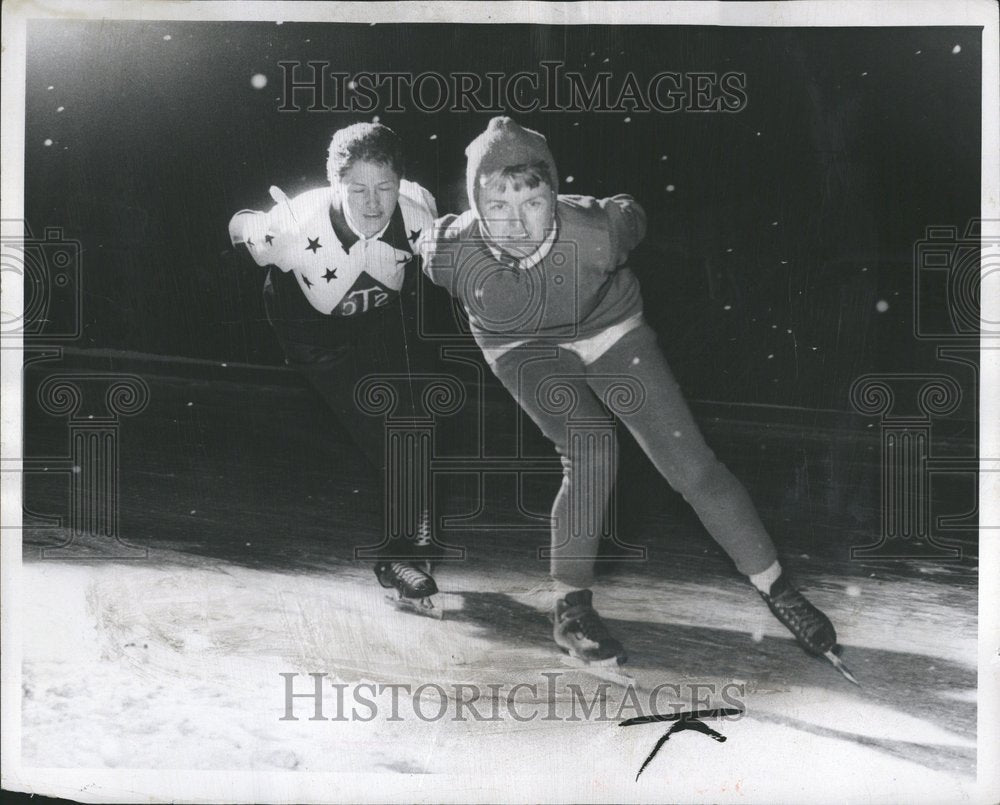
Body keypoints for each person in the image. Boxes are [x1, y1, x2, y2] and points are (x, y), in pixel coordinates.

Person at [419, 116, 841, 666]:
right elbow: (427, 237)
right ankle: (570, 608)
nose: (518, 225)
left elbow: (630, 212)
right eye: (498, 207)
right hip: (523, 347)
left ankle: (777, 587)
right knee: (591, 447)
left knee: (689, 461)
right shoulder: (451, 254)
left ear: (555, 197)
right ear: (476, 210)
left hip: (608, 327)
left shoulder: (600, 228)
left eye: (533, 203)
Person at [228, 122, 443, 608]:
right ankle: (401, 549)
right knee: (384, 436)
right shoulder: (296, 223)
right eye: (358, 190)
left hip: (378, 323)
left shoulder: (419, 212)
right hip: (310, 334)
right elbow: (237, 224)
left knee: (415, 424)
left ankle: (400, 552)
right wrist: (252, 225)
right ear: (335, 187)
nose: (372, 204)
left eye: (384, 188)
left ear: (400, 185)